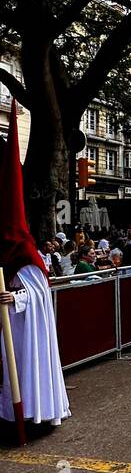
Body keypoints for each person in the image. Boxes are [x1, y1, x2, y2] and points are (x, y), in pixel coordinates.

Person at [0, 102, 70, 429]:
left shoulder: (27, 254)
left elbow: (41, 294)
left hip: (25, 325)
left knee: (27, 368)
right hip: (7, 329)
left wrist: (16, 298)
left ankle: (34, 413)